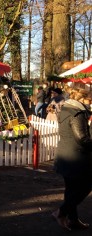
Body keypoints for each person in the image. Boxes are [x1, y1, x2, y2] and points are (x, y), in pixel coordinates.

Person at [52, 89, 92, 231]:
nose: (90, 102)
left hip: (65, 154)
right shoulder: (77, 113)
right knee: (87, 184)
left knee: (71, 189)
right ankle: (61, 212)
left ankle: (73, 220)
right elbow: (82, 138)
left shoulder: (66, 108)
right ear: (83, 99)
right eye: (89, 99)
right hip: (75, 158)